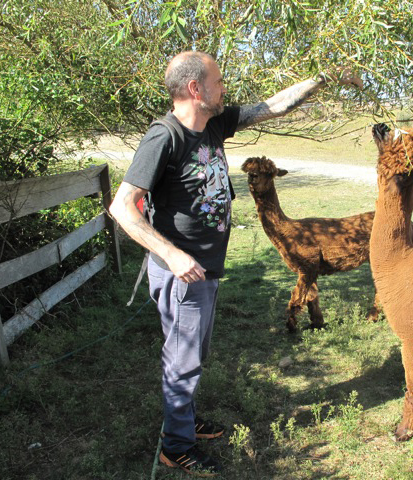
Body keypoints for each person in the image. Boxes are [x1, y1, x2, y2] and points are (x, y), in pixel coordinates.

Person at [109, 51, 362, 476]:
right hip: (182, 274)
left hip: (204, 271)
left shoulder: (214, 124)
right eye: (218, 80)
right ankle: (176, 447)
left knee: (194, 352)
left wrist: (324, 77)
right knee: (183, 359)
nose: (224, 87)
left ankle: (185, 421)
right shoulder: (164, 138)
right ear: (195, 89)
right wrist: (171, 254)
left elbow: (273, 106)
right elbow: (122, 208)